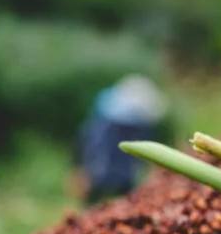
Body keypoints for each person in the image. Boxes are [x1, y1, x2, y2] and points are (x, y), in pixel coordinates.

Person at [71, 75, 169, 204]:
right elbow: (84, 144)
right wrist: (80, 171)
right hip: (99, 176)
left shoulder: (141, 125)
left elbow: (145, 152)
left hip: (125, 179)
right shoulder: (103, 125)